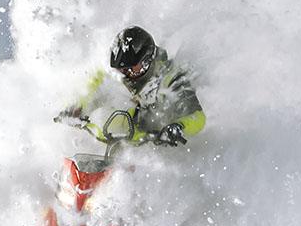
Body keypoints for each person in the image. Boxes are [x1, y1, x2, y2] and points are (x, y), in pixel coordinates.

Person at [57, 26, 205, 147]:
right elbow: (90, 87)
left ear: (147, 61)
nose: (125, 75)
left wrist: (179, 127)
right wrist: (76, 106)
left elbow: (198, 117)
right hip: (116, 136)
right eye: (121, 70)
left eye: (131, 69)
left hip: (154, 140)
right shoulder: (113, 72)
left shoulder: (171, 78)